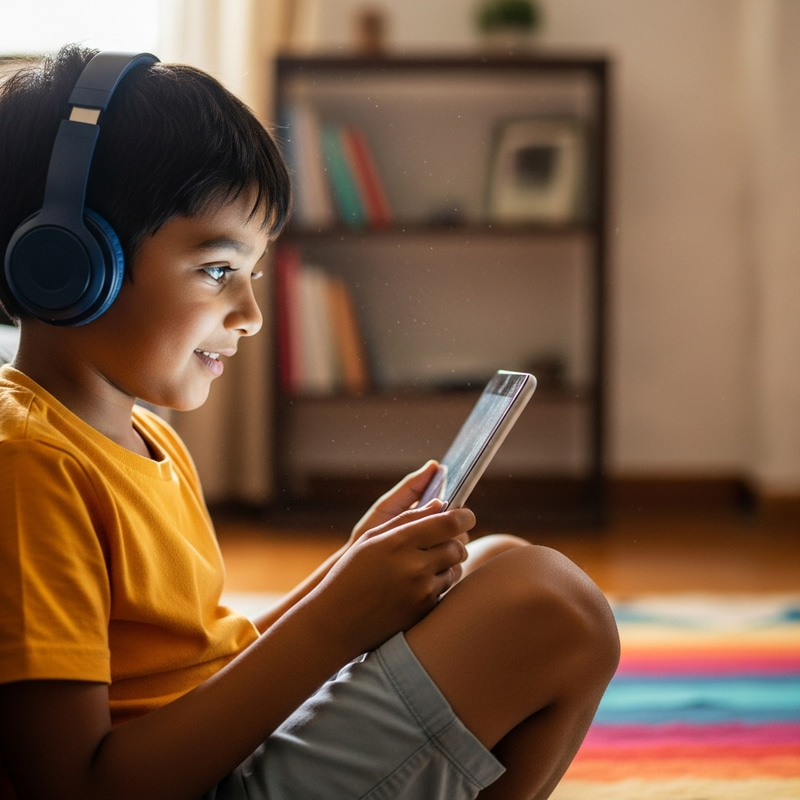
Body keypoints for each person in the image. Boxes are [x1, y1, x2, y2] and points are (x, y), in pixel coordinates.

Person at [0, 44, 619, 800]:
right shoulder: (28, 465)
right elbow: (75, 786)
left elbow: (202, 665)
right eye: (219, 270)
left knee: (499, 562)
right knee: (548, 603)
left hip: (217, 755)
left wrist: (346, 573)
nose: (251, 315)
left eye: (252, 274)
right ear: (67, 263)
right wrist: (333, 622)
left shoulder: (144, 437)